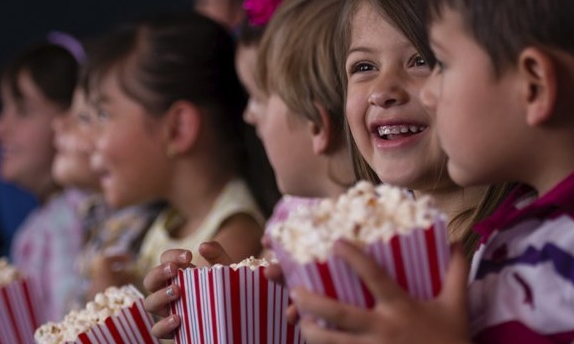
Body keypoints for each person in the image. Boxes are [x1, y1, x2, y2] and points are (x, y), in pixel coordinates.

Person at [292, 0, 574, 343]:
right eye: (364, 66)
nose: (430, 94)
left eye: (432, 63)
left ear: (533, 85)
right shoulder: (510, 236)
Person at [142, 0, 356, 338]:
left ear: (316, 122)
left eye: (258, 97)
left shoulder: (361, 232)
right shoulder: (288, 215)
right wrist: (236, 305)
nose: (249, 115)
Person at [84, 12, 265, 282]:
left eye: (103, 115)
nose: (89, 141)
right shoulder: (171, 222)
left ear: (178, 128)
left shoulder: (230, 238)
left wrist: (115, 312)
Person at [0, 39, 86, 321]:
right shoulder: (41, 225)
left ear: (70, 119)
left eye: (22, 111)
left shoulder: (67, 222)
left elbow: (67, 324)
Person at [53, 83, 164, 307]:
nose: (58, 122)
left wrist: (106, 305)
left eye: (87, 118)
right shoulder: (95, 216)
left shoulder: (141, 225)